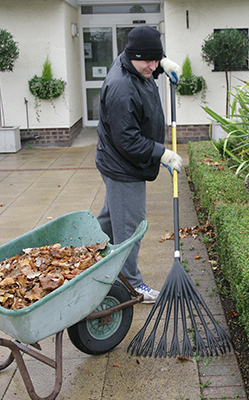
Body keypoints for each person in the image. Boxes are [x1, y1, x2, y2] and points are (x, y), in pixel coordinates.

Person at [95, 26, 182, 303]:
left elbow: (147, 59)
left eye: (156, 60)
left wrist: (162, 62)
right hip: (123, 166)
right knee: (130, 227)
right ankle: (131, 285)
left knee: (112, 219)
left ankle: (86, 259)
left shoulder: (134, 64)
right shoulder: (122, 87)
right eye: (149, 61)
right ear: (133, 56)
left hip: (117, 161)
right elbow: (129, 142)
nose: (152, 66)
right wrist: (161, 153)